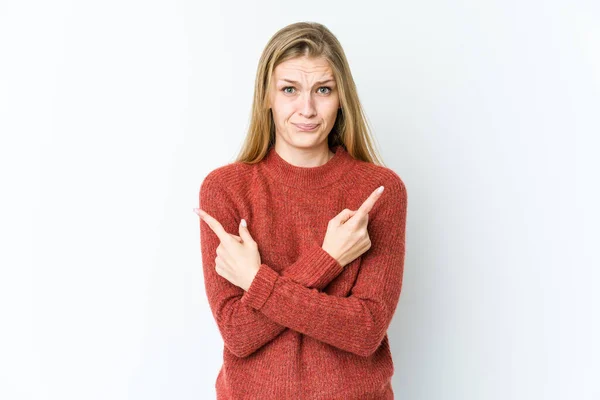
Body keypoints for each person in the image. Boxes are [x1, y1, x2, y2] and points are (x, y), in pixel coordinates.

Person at [193, 21, 408, 400]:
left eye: (322, 90)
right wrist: (328, 259)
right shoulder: (225, 190)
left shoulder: (379, 191)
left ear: (341, 98)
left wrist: (257, 281)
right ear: (266, 96)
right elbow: (239, 335)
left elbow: (365, 331)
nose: (306, 109)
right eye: (289, 89)